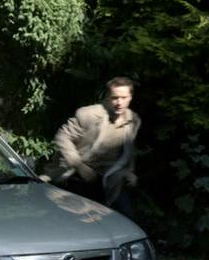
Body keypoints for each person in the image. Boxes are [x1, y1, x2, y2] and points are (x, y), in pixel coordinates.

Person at [42, 77, 141, 218]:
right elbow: (62, 137)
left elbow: (129, 148)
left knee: (127, 219)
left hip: (109, 178)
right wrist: (79, 165)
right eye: (115, 98)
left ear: (130, 97)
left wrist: (129, 171)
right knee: (77, 219)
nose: (119, 103)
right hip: (76, 176)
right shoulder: (89, 114)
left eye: (124, 98)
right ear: (107, 97)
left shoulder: (133, 120)